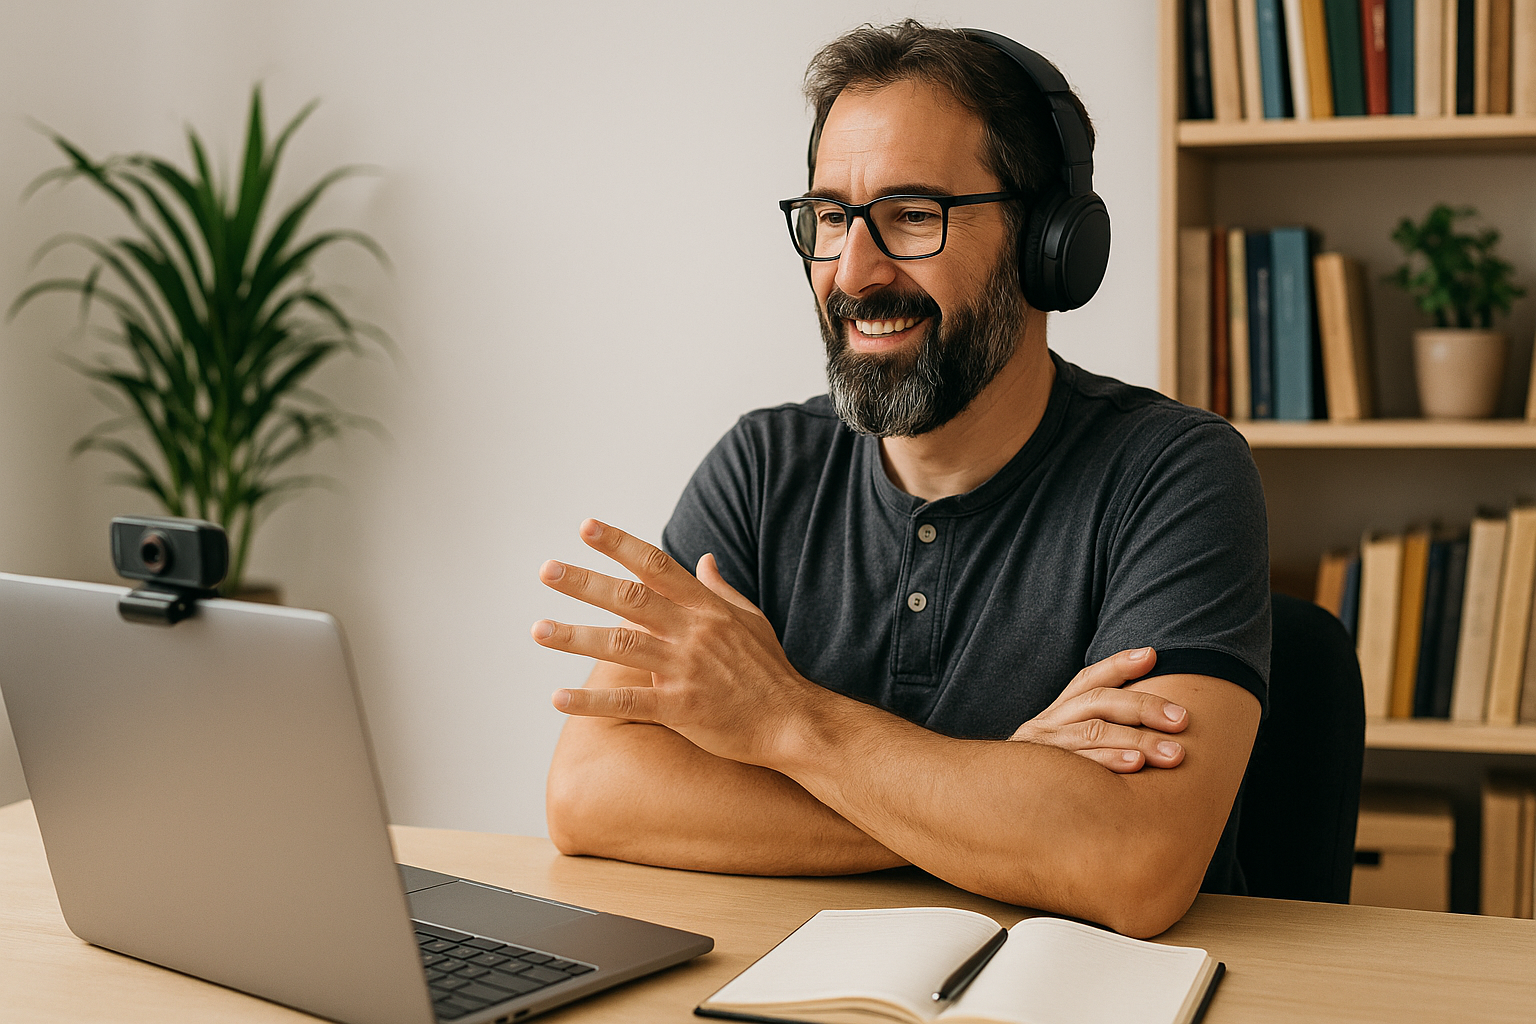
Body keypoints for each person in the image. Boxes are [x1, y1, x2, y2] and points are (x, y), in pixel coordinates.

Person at [533, 21, 1269, 938]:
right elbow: (592, 793)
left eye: (913, 215)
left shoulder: (1174, 475)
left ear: (1048, 241)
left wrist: (785, 723)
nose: (854, 271)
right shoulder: (763, 468)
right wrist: (999, 788)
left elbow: (1129, 861)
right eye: (832, 217)